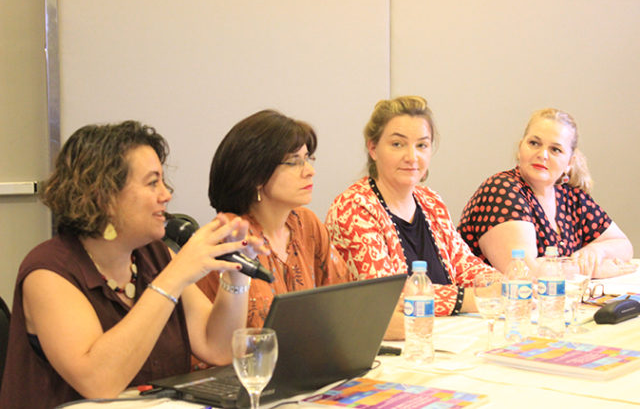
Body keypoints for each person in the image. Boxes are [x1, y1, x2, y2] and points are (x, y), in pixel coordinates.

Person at [0, 121, 266, 408]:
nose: (167, 195)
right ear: (104, 196)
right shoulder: (48, 272)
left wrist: (236, 275)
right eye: (152, 183)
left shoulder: (154, 255)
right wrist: (173, 278)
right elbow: (98, 382)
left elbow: (218, 348)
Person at [325, 96, 494, 340]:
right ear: (373, 148)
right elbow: (388, 297)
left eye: (422, 145)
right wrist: (469, 298)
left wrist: (499, 283)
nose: (412, 157)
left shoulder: (431, 201)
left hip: (446, 336)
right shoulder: (353, 208)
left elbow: (464, 265)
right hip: (392, 346)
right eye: (397, 144)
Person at [196, 109, 352, 331]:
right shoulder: (229, 237)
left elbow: (344, 302)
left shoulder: (306, 224)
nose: (310, 171)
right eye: (294, 162)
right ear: (257, 174)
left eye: (307, 159)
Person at [458, 108, 634, 278]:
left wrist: (596, 252)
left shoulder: (572, 197)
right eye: (534, 143)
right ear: (520, 148)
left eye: (555, 149)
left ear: (570, 162)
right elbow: (525, 272)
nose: (542, 154)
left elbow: (624, 247)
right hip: (489, 299)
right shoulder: (501, 190)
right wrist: (590, 270)